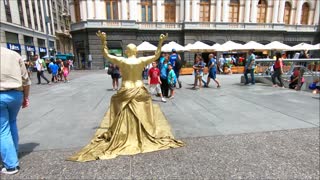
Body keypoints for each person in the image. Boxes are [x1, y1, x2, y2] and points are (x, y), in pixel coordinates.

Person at [68, 31, 183, 162]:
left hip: (126, 89)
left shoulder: (122, 60)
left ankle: (124, 131)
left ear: (128, 52)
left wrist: (103, 41)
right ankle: (142, 129)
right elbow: (157, 55)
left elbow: (106, 54)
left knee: (117, 103)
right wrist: (161, 42)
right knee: (143, 107)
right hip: (139, 89)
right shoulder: (141, 60)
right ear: (136, 52)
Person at [0, 47, 31, 175]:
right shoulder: (14, 54)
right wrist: (26, 97)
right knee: (12, 122)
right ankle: (14, 151)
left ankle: (11, 166)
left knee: (2, 129)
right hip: (16, 95)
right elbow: (26, 80)